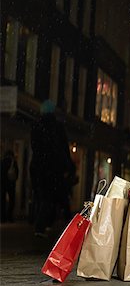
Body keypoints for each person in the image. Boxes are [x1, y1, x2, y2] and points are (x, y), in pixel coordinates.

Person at [30, 100, 74, 237]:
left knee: (43, 196)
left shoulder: (37, 126)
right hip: (55, 168)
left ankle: (41, 224)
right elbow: (63, 148)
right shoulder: (57, 127)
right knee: (55, 197)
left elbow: (35, 147)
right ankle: (51, 225)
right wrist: (67, 165)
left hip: (40, 168)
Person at [0, 150, 19, 222]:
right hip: (11, 184)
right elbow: (17, 174)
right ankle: (9, 216)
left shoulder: (2, 162)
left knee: (2, 201)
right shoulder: (14, 162)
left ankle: (2, 218)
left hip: (2, 184)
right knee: (12, 200)